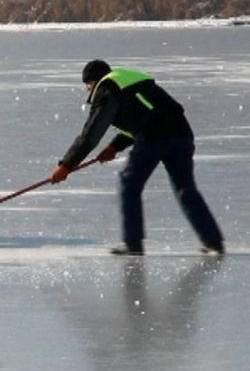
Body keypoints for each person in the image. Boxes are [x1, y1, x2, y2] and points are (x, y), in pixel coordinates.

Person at [50, 60, 224, 255]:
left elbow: (92, 132)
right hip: (182, 135)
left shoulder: (107, 87)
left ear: (92, 81)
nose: (89, 90)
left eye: (88, 86)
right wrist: (115, 146)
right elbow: (149, 113)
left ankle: (133, 243)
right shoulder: (128, 79)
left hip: (152, 139)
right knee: (185, 188)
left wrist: (66, 165)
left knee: (129, 184)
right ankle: (213, 240)